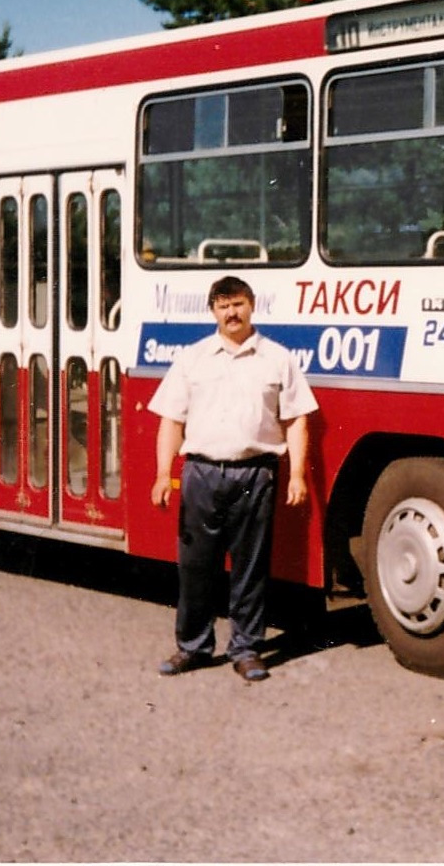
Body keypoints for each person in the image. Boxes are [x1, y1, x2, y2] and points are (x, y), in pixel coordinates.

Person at [148, 275, 317, 682]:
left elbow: (297, 419)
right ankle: (193, 647)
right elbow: (172, 420)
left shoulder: (278, 359)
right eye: (223, 305)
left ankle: (246, 649)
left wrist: (296, 474)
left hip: (255, 474)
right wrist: (161, 474)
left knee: (250, 567)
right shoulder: (192, 358)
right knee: (195, 566)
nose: (232, 312)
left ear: (252, 306)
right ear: (213, 312)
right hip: (201, 473)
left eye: (238, 303)